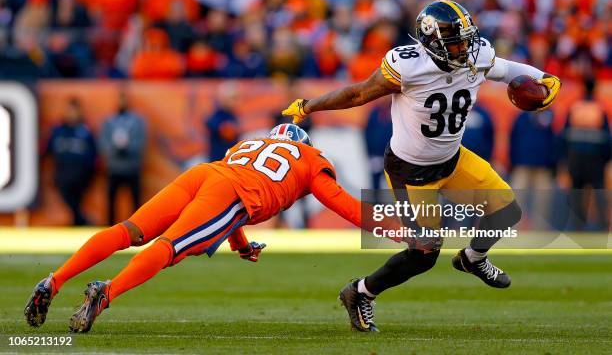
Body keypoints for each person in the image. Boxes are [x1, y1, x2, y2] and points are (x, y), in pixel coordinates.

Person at [283, 0, 561, 332]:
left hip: (454, 159)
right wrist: (310, 106)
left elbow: (507, 69)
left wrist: (542, 77)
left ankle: (472, 258)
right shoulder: (408, 66)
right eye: (457, 41)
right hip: (410, 170)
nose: (466, 48)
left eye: (468, 38)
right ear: (432, 42)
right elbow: (358, 95)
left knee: (506, 212)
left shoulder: (476, 56)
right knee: (424, 253)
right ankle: (360, 292)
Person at [24, 124, 400, 333]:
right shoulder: (310, 159)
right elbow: (344, 205)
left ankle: (54, 281)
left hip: (206, 173)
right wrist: (393, 228)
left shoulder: (251, 142)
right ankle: (106, 293)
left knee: (130, 229)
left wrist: (239, 245)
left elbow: (225, 205)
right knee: (170, 247)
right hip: (232, 194)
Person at [562, 78, 610, 231]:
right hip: (595, 159)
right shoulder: (599, 109)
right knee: (598, 193)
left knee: (577, 193)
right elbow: (607, 138)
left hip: (576, 158)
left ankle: (577, 227)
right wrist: (605, 159)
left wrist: (565, 159)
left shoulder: (575, 107)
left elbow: (565, 135)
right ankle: (602, 226)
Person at [46, 98, 97, 226]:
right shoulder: (58, 130)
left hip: (80, 173)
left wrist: (90, 171)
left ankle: (78, 221)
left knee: (76, 200)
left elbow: (93, 152)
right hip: (63, 172)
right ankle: (81, 221)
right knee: (70, 200)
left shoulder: (85, 130)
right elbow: (48, 148)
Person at [99, 92, 147, 225]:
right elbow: (103, 142)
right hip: (114, 167)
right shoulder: (109, 121)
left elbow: (141, 141)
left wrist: (128, 149)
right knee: (111, 201)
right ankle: (110, 228)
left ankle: (138, 227)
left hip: (131, 167)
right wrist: (114, 151)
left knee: (135, 201)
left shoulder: (137, 121)